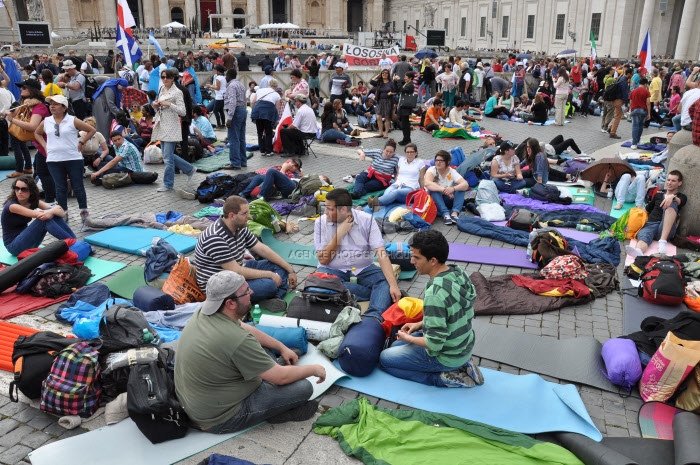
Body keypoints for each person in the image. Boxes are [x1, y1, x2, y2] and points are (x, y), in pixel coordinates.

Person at [175, 270, 325, 434]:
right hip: (220, 418)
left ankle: (271, 368)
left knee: (264, 346)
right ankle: (274, 411)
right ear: (230, 303)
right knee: (304, 388)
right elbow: (280, 378)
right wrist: (314, 369)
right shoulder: (236, 340)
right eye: (246, 292)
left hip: (200, 401)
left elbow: (246, 329)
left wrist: (281, 347)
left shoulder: (206, 310)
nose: (251, 292)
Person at [379, 230, 483, 388]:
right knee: (394, 346)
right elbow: (450, 315)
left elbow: (434, 344)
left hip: (445, 355)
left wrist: (409, 339)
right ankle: (462, 364)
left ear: (433, 260)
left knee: (385, 360)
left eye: (416, 257)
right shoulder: (457, 272)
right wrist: (419, 324)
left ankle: (444, 378)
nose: (412, 261)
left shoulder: (435, 293)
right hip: (462, 346)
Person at [194, 196, 296, 308]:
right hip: (221, 286)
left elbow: (262, 248)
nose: (249, 216)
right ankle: (272, 294)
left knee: (280, 266)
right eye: (245, 214)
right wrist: (270, 275)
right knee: (270, 284)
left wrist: (290, 269)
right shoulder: (215, 237)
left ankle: (275, 298)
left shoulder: (240, 226)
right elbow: (236, 271)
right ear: (232, 216)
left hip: (236, 270)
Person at [314, 188, 401, 319]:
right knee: (319, 283)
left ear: (343, 210)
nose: (325, 212)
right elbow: (323, 260)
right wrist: (339, 234)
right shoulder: (320, 223)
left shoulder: (367, 220)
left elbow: (380, 253)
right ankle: (371, 293)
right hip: (332, 270)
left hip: (363, 269)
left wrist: (394, 285)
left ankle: (373, 317)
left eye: (329, 209)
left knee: (386, 282)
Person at [34, 94, 95, 222]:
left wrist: (82, 142)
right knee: (60, 187)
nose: (52, 107)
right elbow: (37, 133)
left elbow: (91, 130)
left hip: (73, 158)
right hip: (54, 159)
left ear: (64, 107)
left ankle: (83, 211)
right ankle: (63, 212)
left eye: (55, 104)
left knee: (78, 186)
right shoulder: (46, 121)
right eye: (51, 104)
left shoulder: (72, 120)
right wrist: (45, 146)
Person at [1, 175, 76, 256]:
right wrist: (53, 210)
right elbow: (41, 215)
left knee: (50, 213)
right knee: (44, 219)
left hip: (27, 242)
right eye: (17, 188)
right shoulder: (12, 206)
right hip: (14, 247)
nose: (19, 192)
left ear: (31, 191)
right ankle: (73, 243)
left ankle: (74, 241)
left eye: (24, 189)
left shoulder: (33, 201)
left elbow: (62, 214)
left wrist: (52, 211)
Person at [151, 68, 197, 192]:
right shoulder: (161, 89)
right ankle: (189, 169)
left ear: (172, 78)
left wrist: (168, 104)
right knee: (168, 155)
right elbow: (157, 103)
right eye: (163, 77)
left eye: (167, 77)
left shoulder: (177, 92)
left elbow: (182, 111)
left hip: (172, 125)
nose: (165, 79)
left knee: (167, 158)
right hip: (162, 123)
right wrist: (155, 104)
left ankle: (168, 184)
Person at [626, 170, 685, 257]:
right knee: (644, 236)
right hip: (651, 224)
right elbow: (646, 209)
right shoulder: (659, 193)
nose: (669, 183)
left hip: (666, 229)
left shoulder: (681, 197)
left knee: (671, 203)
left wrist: (672, 197)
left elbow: (680, 201)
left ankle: (662, 241)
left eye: (673, 181)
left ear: (680, 183)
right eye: (668, 180)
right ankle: (639, 251)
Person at [4, 80, 50, 189]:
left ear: (32, 90)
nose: (21, 89)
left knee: (42, 174)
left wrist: (11, 119)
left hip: (47, 145)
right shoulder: (29, 104)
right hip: (41, 145)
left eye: (24, 88)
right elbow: (16, 113)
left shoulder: (39, 106)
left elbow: (32, 126)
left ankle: (49, 197)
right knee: (39, 172)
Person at [367, 143, 425, 210]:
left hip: (410, 188)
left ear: (416, 153)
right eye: (407, 152)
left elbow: (421, 179)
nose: (409, 154)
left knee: (395, 193)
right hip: (397, 184)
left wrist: (423, 191)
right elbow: (397, 174)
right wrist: (395, 183)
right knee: (387, 193)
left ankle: (375, 202)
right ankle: (376, 206)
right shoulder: (401, 160)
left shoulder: (420, 163)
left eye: (411, 152)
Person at [424, 150, 470, 225]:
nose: (438, 162)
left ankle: (455, 213)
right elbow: (427, 183)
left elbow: (465, 184)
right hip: (435, 200)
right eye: (437, 160)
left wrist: (453, 189)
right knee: (434, 190)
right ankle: (446, 214)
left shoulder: (452, 171)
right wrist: (444, 190)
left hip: (448, 198)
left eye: (441, 161)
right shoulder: (432, 170)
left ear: (448, 162)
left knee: (461, 189)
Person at [222, 69, 247, 170]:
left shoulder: (231, 86)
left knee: (234, 139)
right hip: (242, 111)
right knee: (241, 138)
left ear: (228, 75)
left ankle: (235, 163)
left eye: (226, 75)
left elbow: (232, 102)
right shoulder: (240, 85)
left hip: (235, 112)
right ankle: (243, 161)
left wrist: (229, 118)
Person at [370, 69, 395, 139]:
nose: (384, 74)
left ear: (388, 74)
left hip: (388, 101)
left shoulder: (391, 83)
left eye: (386, 73)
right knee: (378, 117)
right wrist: (376, 76)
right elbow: (371, 81)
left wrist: (391, 93)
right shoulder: (379, 82)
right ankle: (380, 132)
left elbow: (396, 91)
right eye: (383, 73)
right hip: (379, 101)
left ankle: (386, 133)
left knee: (387, 117)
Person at [608, 68, 633, 139]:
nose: (632, 76)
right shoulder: (624, 82)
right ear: (628, 74)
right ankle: (613, 132)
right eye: (631, 74)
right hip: (619, 100)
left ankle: (610, 128)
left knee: (616, 116)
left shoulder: (620, 78)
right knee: (617, 117)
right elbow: (624, 94)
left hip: (614, 99)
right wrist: (626, 104)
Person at [629, 78, 651, 149]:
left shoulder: (633, 91)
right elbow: (648, 103)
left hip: (634, 110)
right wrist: (649, 113)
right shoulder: (647, 91)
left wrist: (630, 110)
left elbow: (631, 102)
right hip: (643, 110)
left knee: (635, 126)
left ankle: (634, 144)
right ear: (645, 84)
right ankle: (638, 140)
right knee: (641, 126)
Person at [396, 71, 415, 145]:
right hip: (403, 105)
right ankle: (406, 138)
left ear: (410, 78)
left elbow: (402, 90)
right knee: (405, 123)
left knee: (405, 124)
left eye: (406, 77)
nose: (404, 78)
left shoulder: (410, 85)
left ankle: (406, 139)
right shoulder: (407, 84)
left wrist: (398, 81)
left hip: (406, 106)